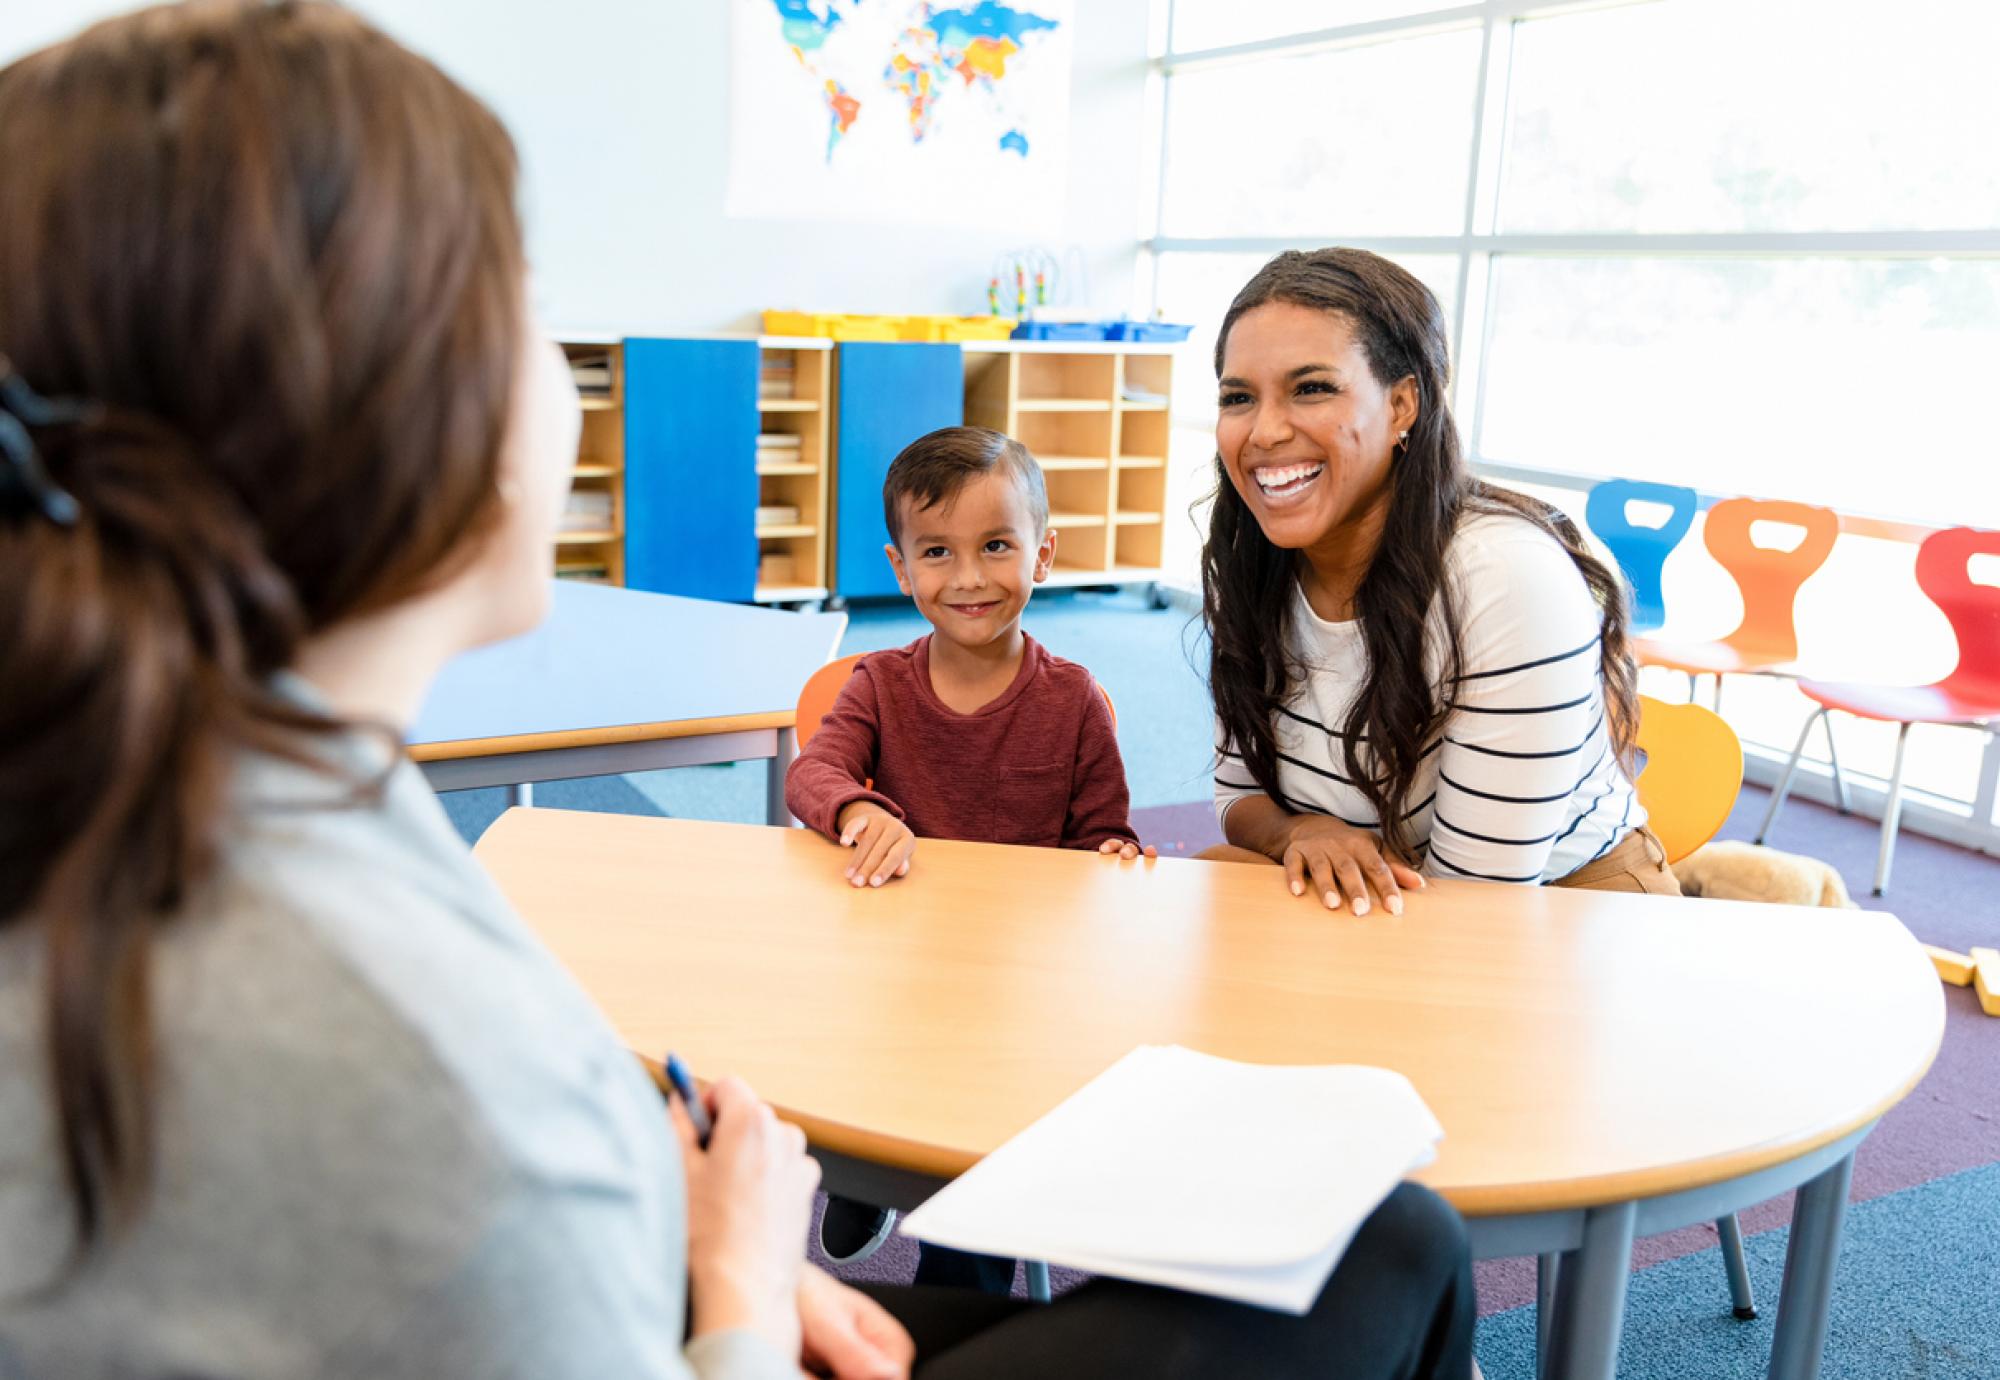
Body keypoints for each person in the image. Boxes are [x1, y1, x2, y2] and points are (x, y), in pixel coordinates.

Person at [0, 8, 1475, 1377]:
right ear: (392, 409)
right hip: (712, 1323)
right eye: (525, 306)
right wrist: (741, 1286)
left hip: (688, 1278)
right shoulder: (409, 1083)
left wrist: (710, 1247)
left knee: (1383, 1239)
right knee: (1395, 1247)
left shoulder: (214, 773)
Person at [785, 424, 1150, 1290]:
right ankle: (862, 1168)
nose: (971, 578)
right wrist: (859, 810)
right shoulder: (878, 683)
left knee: (973, 1187)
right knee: (836, 1052)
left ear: (1044, 553)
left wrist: (1113, 857)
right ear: (901, 569)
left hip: (1018, 987)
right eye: (937, 553)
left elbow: (1107, 837)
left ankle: (957, 1272)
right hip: (897, 970)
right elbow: (815, 773)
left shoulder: (1074, 703)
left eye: (996, 546)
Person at [1202, 248, 1675, 909]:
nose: (1266, 429)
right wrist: (1299, 830)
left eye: (1311, 388)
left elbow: (1477, 901)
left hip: (1557, 910)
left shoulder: (1505, 578)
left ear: (1402, 405)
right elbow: (1238, 794)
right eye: (1239, 397)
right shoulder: (1251, 553)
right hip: (1383, 897)